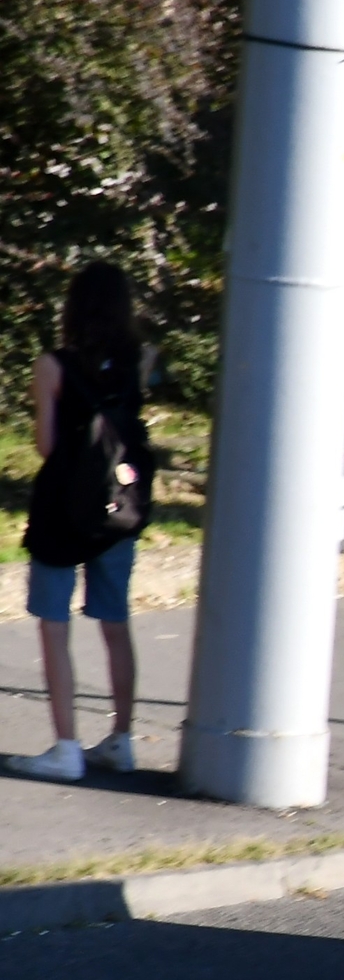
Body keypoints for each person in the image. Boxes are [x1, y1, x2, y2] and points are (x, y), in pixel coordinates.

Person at [6, 262, 152, 782]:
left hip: (61, 515)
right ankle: (121, 738)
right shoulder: (140, 360)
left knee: (54, 626)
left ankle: (65, 747)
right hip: (119, 508)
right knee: (115, 625)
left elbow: (46, 446)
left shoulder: (52, 366)